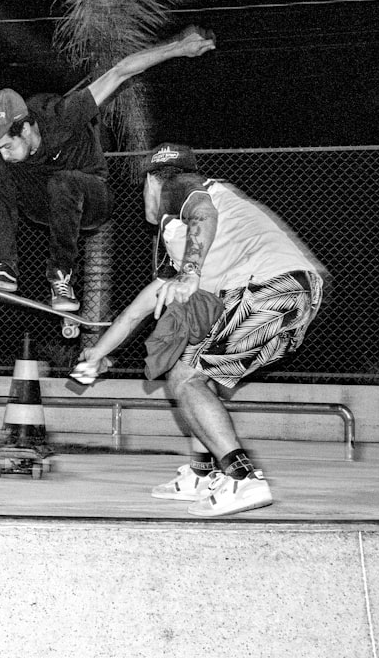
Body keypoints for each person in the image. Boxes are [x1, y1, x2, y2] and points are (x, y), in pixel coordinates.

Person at [72, 143, 327, 517]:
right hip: (291, 292)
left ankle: (242, 478)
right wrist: (98, 353)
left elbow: (202, 211)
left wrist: (191, 271)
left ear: (150, 182)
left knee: (188, 379)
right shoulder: (178, 235)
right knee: (189, 374)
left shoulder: (179, 187)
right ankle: (203, 474)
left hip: (270, 287)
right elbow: (138, 311)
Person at [0, 26, 216, 311]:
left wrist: (178, 48)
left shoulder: (62, 115)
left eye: (7, 146)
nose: (3, 153)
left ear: (25, 129)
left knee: (62, 182)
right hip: (44, 203)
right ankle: (4, 267)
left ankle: (61, 278)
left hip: (92, 198)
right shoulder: (0, 150)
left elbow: (120, 72)